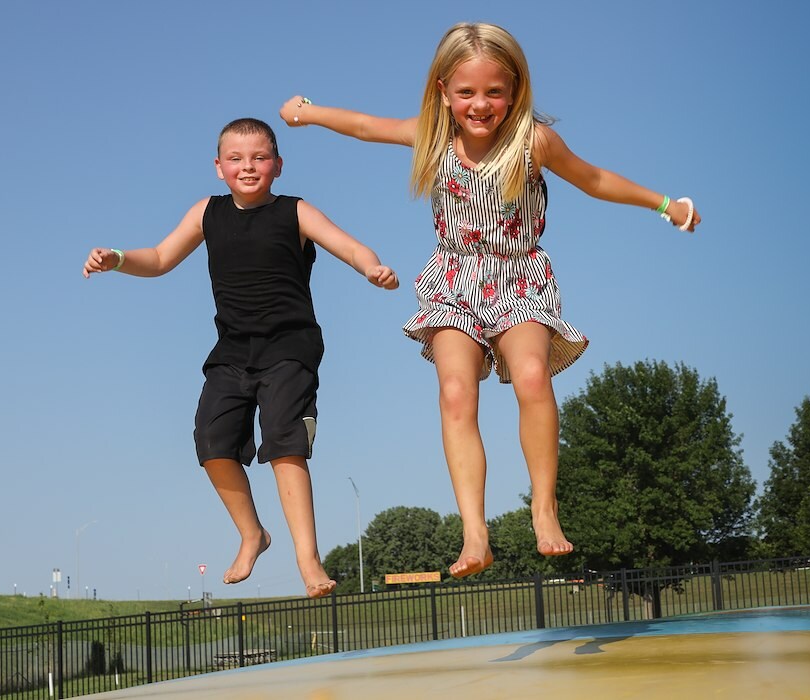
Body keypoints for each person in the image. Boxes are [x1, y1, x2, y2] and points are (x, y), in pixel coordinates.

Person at [278, 22, 700, 578]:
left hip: (519, 277)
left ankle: (544, 509)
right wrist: (307, 112)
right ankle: (474, 532)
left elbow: (594, 179)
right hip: (454, 280)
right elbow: (362, 126)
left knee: (532, 377)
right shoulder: (431, 137)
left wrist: (665, 204)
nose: (480, 105)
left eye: (494, 92)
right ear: (443, 91)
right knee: (455, 392)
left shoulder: (533, 143)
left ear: (515, 90)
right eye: (467, 92)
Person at [82, 118, 399, 598]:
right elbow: (161, 258)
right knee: (211, 441)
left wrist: (371, 267)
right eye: (236, 158)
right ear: (219, 167)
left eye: (259, 157)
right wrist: (118, 259)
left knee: (284, 442)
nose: (247, 166)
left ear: (278, 165)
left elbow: (350, 246)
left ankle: (308, 560)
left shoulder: (295, 211)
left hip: (289, 346)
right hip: (232, 349)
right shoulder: (206, 213)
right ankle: (253, 534)